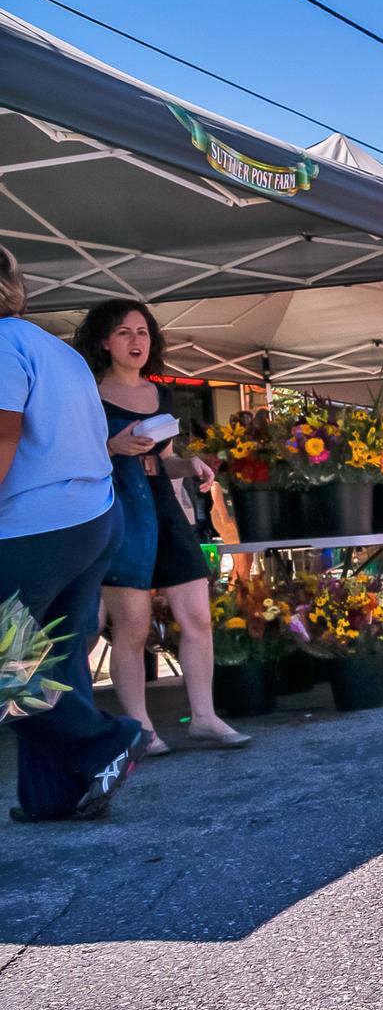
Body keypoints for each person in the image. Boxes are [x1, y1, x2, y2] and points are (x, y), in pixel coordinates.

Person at [0, 245, 142, 821]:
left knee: (9, 665)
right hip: (91, 520)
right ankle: (52, 796)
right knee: (49, 660)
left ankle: (101, 737)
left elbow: (3, 439)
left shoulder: (2, 346)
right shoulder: (53, 348)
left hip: (36, 530)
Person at [79, 299, 248, 755]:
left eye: (143, 332)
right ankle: (140, 726)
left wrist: (188, 464)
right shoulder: (87, 394)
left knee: (196, 617)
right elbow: (76, 459)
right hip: (121, 513)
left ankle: (205, 717)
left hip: (165, 512)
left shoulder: (162, 393)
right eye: (124, 332)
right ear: (103, 341)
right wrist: (111, 445)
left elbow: (162, 459)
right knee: (131, 628)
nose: (136, 341)